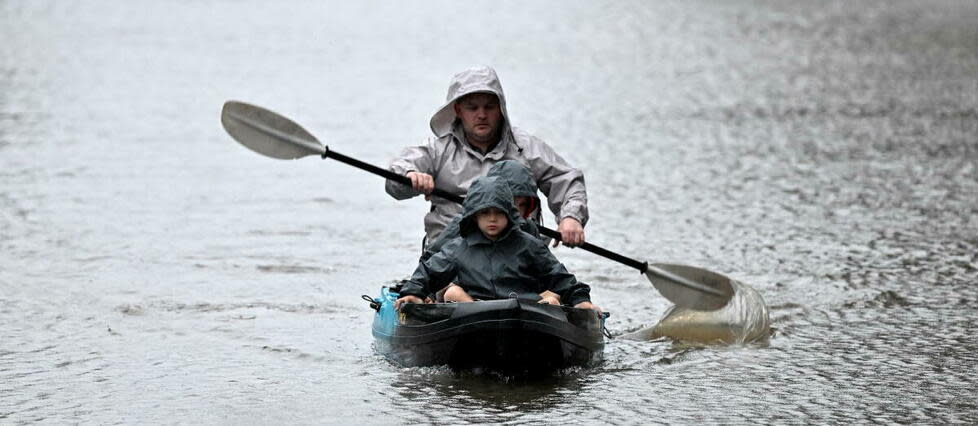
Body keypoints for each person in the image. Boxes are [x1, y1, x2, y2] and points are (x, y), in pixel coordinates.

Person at [385, 66, 588, 248]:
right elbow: (396, 179)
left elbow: (566, 180)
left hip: (517, 255)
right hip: (450, 254)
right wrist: (411, 175)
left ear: (500, 109)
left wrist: (571, 217)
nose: (481, 115)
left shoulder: (526, 148)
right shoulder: (436, 150)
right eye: (472, 108)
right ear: (458, 110)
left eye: (489, 107)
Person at [394, 176, 601, 313]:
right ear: (474, 217)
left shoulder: (528, 245)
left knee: (552, 302)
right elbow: (429, 271)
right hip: (476, 311)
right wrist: (413, 292)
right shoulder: (459, 247)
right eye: (484, 213)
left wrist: (580, 300)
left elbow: (559, 277)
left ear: (509, 214)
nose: (492, 220)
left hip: (524, 313)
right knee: (453, 295)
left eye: (498, 213)